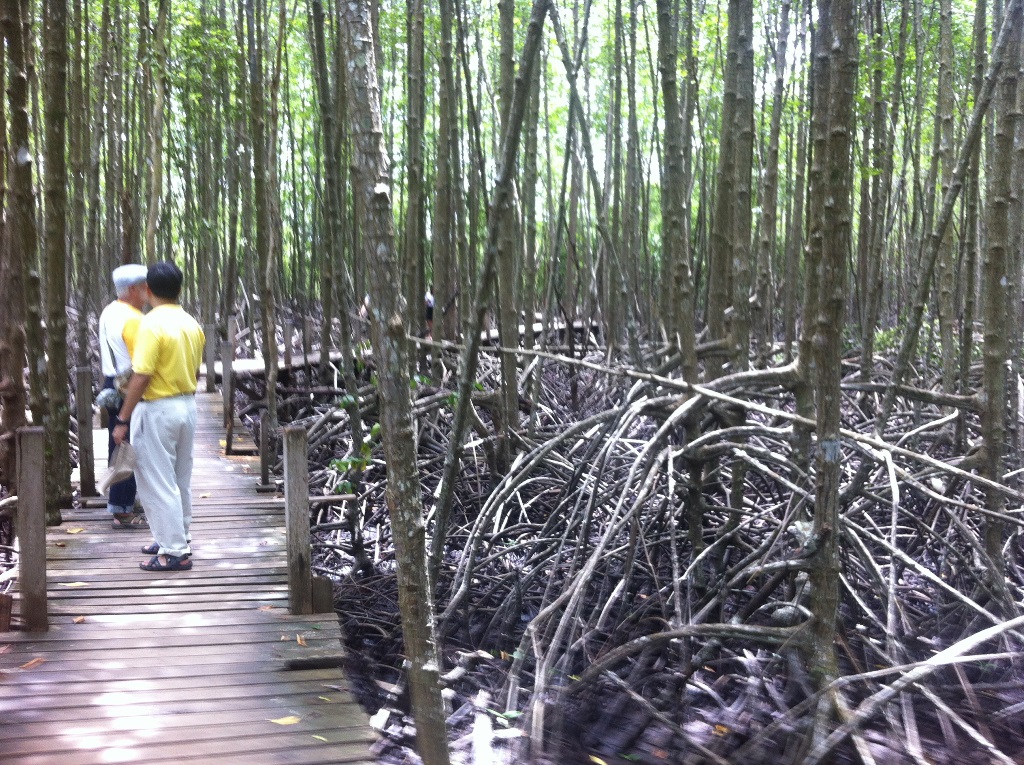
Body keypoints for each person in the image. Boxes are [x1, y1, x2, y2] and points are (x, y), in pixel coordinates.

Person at [113, 262, 205, 572]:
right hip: (187, 406)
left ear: (148, 290)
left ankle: (174, 551)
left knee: (156, 481)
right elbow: (194, 371)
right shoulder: (192, 324)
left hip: (158, 409)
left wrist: (123, 418)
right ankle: (178, 537)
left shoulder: (151, 324)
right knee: (180, 478)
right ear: (180, 289)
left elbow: (142, 375)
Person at [97, 264, 149, 529]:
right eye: (144, 287)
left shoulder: (109, 311)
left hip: (110, 382)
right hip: (128, 385)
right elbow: (142, 364)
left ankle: (121, 502)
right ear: (132, 290)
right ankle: (123, 507)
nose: (148, 292)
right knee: (130, 444)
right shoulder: (134, 320)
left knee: (118, 445)